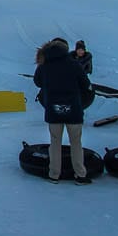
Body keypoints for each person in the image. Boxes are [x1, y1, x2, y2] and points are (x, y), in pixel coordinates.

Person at [34, 38, 94, 185]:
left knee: (55, 142)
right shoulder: (74, 64)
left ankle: (54, 175)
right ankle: (80, 175)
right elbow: (86, 85)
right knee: (76, 142)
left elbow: (37, 82)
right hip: (73, 109)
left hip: (53, 110)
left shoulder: (44, 65)